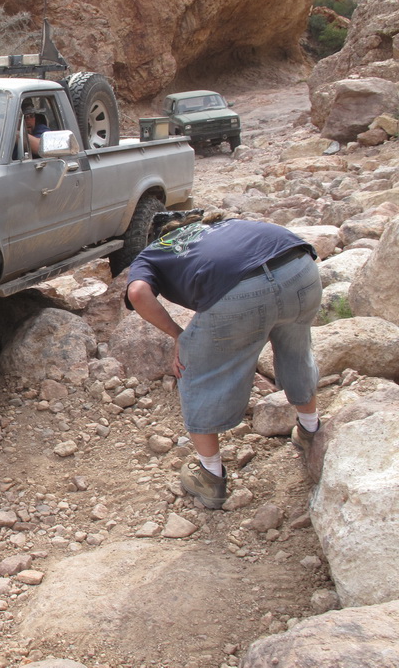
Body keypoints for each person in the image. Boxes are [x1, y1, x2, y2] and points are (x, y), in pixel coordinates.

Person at [124, 212, 322, 509]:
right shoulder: (225, 224)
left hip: (241, 292)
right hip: (299, 268)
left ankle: (210, 478)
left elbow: (138, 292)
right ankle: (311, 432)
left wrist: (179, 336)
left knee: (197, 371)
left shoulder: (153, 252)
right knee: (296, 349)